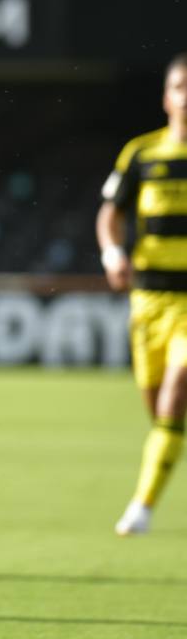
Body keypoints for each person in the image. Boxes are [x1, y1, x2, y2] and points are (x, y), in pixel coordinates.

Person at [99, 53, 187, 536]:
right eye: (180, 87)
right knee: (162, 417)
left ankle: (143, 506)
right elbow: (108, 214)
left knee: (177, 394)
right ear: (166, 97)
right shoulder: (142, 154)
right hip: (148, 303)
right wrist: (113, 253)